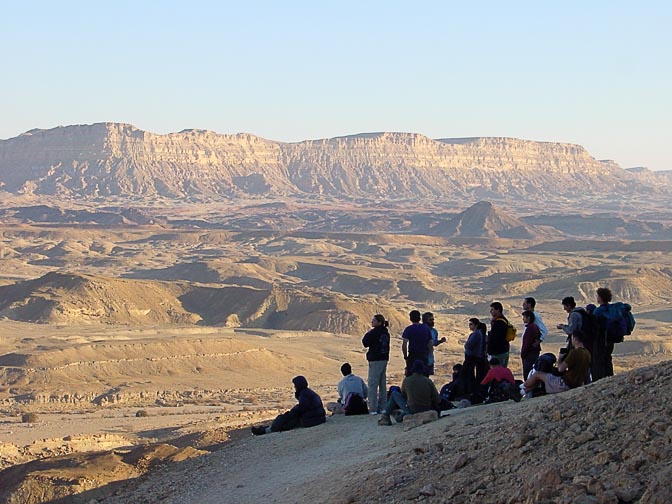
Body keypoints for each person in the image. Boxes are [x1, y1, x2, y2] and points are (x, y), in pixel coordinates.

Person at [251, 376, 326, 435]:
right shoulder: (307, 392)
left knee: (285, 420)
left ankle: (266, 430)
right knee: (287, 417)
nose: (294, 387)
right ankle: (266, 428)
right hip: (317, 417)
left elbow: (302, 408)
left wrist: (292, 412)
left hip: (312, 419)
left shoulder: (304, 394)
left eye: (295, 385)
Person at [523, 331, 591, 395]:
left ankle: (521, 386)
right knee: (542, 379)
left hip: (565, 384)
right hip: (577, 384)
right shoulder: (587, 353)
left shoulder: (574, 352)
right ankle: (523, 392)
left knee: (538, 374)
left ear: (575, 339)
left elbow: (560, 369)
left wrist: (560, 358)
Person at [378, 360, 441, 426]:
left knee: (394, 394)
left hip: (412, 409)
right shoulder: (428, 381)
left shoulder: (407, 380)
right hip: (426, 408)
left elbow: (403, 396)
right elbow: (437, 399)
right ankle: (399, 416)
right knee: (402, 415)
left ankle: (385, 417)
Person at [362, 314, 390, 414]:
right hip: (384, 359)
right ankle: (383, 407)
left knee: (373, 384)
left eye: (374, 320)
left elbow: (365, 342)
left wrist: (369, 332)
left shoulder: (374, 333)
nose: (372, 322)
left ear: (379, 322)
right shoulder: (385, 332)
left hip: (375, 360)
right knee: (382, 384)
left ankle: (373, 408)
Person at [592, 287, 619, 378]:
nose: (597, 298)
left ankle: (600, 379)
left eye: (598, 296)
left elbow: (593, 324)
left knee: (599, 359)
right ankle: (609, 376)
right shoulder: (612, 309)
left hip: (601, 339)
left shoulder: (599, 311)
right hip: (610, 338)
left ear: (601, 297)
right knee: (608, 357)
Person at [401, 310, 433, 376]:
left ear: (410, 318)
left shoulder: (409, 329)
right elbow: (430, 343)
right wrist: (429, 354)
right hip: (424, 355)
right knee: (424, 375)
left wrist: (405, 356)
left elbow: (404, 344)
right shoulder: (426, 328)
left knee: (411, 375)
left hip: (413, 355)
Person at [462, 318, 487, 396]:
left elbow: (468, 345)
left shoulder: (476, 334)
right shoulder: (476, 334)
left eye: (471, 324)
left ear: (476, 325)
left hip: (471, 356)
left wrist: (466, 345)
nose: (469, 326)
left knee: (468, 374)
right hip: (472, 356)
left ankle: (469, 391)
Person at [487, 302, 510, 367]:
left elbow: (497, 338)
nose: (490, 311)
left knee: (498, 372)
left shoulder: (499, 322)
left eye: (492, 309)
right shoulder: (500, 320)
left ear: (498, 310)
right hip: (502, 350)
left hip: (499, 352)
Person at [520, 310, 542, 380]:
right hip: (533, 352)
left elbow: (527, 343)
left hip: (529, 354)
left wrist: (523, 354)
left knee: (527, 373)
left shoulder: (530, 328)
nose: (523, 319)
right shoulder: (534, 327)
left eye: (524, 317)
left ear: (528, 318)